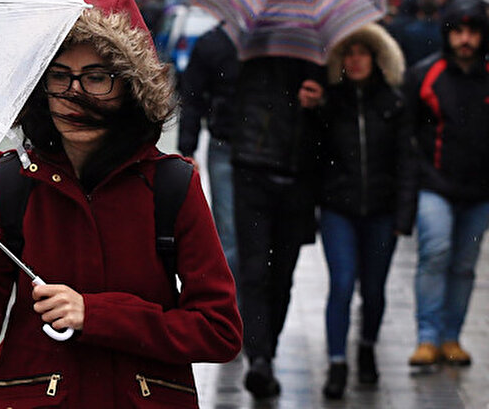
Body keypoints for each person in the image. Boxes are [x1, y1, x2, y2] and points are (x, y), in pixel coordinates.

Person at [0, 0, 242, 407]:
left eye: (95, 77)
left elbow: (219, 330)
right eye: (60, 76)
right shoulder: (13, 181)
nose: (75, 94)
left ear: (129, 86)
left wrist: (99, 315)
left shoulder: (171, 185)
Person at [316, 23, 416, 399]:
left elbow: (407, 162)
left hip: (382, 210)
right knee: (341, 284)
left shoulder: (394, 103)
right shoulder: (331, 102)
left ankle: (367, 347)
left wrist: (404, 217)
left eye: (363, 52)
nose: (355, 60)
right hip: (338, 209)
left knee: (373, 290)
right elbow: (317, 156)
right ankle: (338, 361)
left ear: (376, 58)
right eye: (349, 53)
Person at [231, 54, 325, 399]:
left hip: (299, 177)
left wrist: (319, 103)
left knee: (282, 274)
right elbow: (227, 94)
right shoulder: (250, 51)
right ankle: (260, 358)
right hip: (253, 170)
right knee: (255, 271)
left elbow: (335, 123)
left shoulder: (322, 56)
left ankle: (266, 348)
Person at [405, 0, 489, 368]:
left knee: (464, 264)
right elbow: (405, 130)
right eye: (459, 31)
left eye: (473, 31)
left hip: (480, 190)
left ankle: (451, 336)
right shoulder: (425, 75)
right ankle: (427, 336)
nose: (466, 39)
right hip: (434, 184)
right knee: (435, 253)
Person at [177, 24, 240, 284]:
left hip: (265, 151)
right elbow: (192, 98)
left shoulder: (272, 42)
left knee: (246, 237)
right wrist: (188, 148)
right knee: (229, 234)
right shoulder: (213, 44)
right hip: (225, 144)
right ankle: (234, 308)